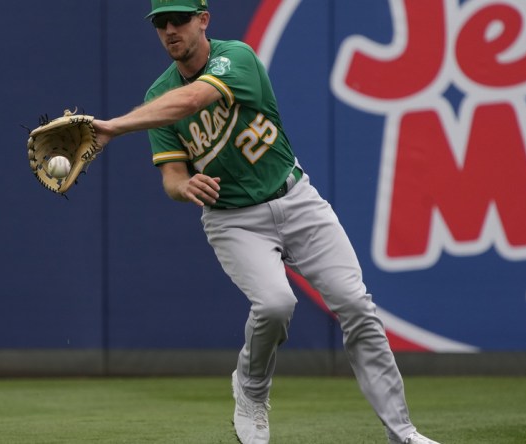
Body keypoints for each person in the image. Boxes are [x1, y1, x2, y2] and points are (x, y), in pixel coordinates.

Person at [92, 1, 442, 443]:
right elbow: (172, 176)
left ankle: (403, 432)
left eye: (179, 19)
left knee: (356, 307)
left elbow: (195, 98)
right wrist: (184, 188)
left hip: (295, 199)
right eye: (160, 23)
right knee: (276, 305)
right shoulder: (155, 98)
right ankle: (251, 390)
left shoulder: (236, 58)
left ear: (203, 20)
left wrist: (113, 127)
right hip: (234, 221)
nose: (169, 30)